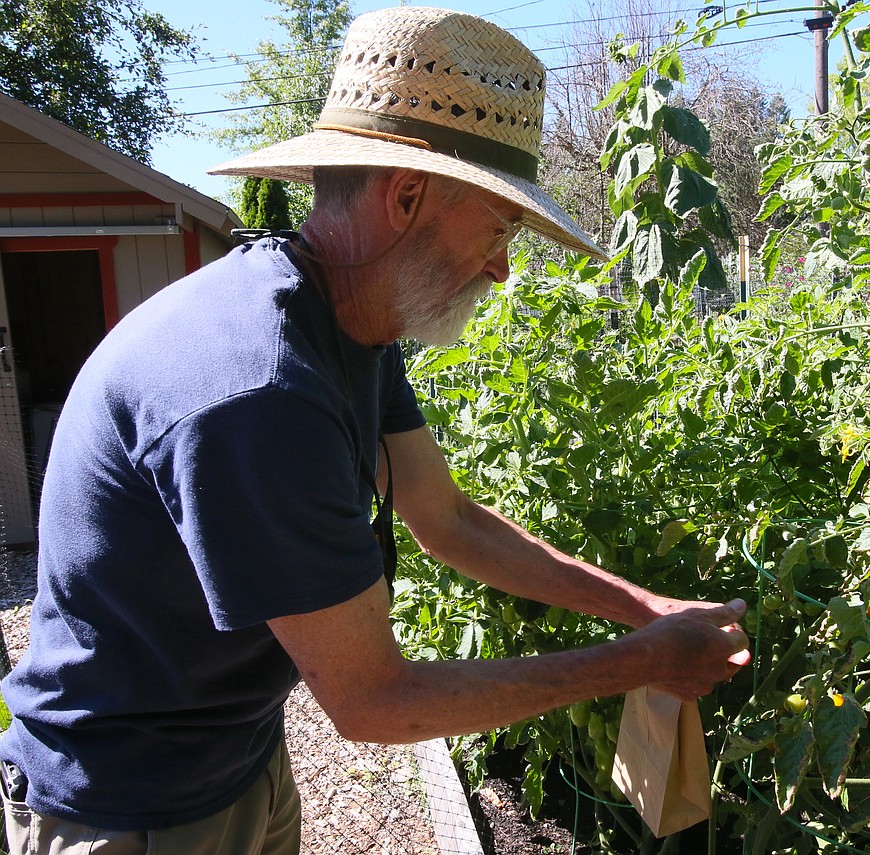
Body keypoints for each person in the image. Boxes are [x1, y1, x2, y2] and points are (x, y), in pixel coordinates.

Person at [0, 7, 749, 853]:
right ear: (405, 195)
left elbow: (446, 519)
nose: (503, 266)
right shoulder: (261, 387)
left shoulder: (350, 323)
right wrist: (643, 659)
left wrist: (642, 607)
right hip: (126, 804)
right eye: (500, 227)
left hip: (234, 756)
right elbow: (373, 701)